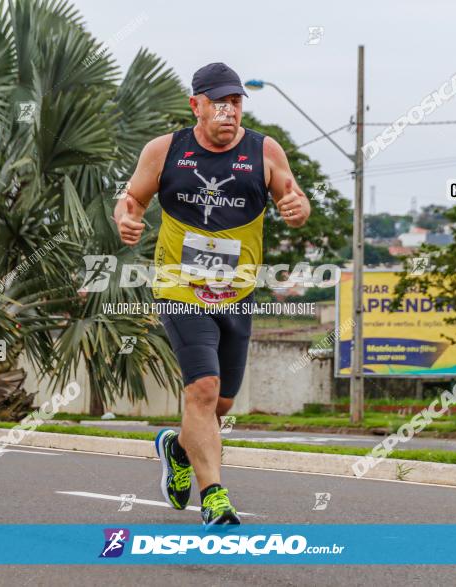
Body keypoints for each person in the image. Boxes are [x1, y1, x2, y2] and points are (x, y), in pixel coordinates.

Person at [113, 62, 310, 527]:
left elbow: (293, 198)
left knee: (220, 404)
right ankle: (215, 497)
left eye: (237, 102)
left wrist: (298, 207)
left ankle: (177, 448)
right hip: (179, 288)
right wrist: (125, 217)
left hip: (237, 293)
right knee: (202, 389)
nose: (230, 111)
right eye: (220, 102)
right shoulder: (165, 151)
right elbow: (131, 198)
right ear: (196, 105)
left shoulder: (263, 150)